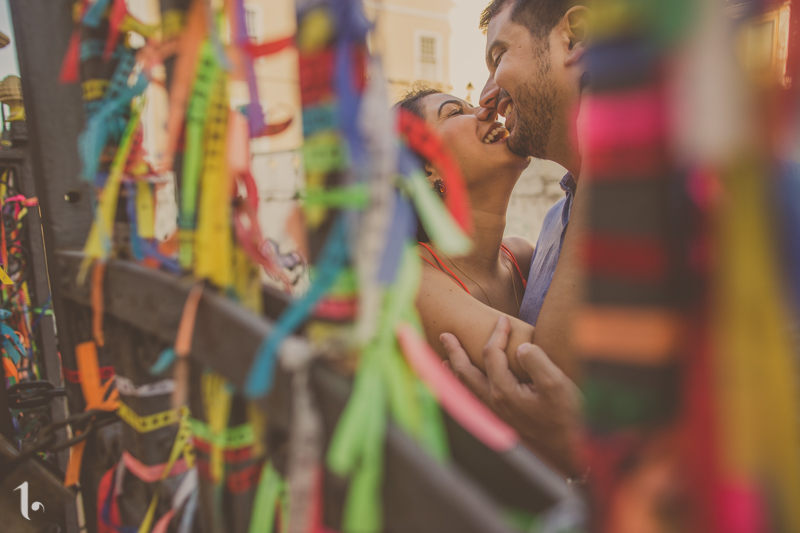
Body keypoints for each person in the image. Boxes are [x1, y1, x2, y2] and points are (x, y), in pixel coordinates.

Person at [441, 0, 592, 476]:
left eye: (498, 55)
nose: (487, 96)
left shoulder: (698, 191)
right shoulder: (552, 227)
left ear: (575, 36)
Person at [398, 87, 538, 380]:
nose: (488, 111)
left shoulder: (523, 258)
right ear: (427, 169)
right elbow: (552, 363)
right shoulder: (410, 279)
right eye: (456, 112)